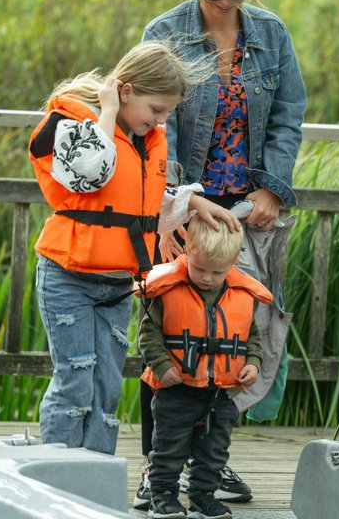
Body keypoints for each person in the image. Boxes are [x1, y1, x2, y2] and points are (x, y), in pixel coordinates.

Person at [136, 0, 307, 507]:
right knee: (170, 335)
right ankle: (156, 470)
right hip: (183, 209)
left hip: (246, 217)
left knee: (234, 338)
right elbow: (154, 129)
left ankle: (212, 466)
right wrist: (179, 207)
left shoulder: (273, 34)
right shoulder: (165, 34)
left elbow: (288, 118)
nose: (225, 3)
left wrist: (271, 189)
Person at [27, 40, 241, 454]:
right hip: (68, 278)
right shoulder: (74, 125)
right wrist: (106, 111)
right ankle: (54, 481)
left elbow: (139, 198)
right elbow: (92, 171)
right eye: (156, 110)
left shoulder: (142, 138)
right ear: (124, 91)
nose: (160, 121)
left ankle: (94, 477)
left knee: (107, 386)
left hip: (116, 285)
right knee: (75, 382)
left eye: (166, 113)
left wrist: (195, 201)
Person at [138, 215, 271, 519]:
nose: (208, 278)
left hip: (221, 394)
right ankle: (163, 498)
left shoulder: (240, 293)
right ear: (187, 252)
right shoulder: (169, 289)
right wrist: (160, 365)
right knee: (169, 449)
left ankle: (203, 498)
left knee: (213, 452)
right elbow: (148, 334)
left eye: (217, 272)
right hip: (176, 390)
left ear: (233, 262)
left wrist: (252, 363)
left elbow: (251, 335)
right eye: (199, 269)